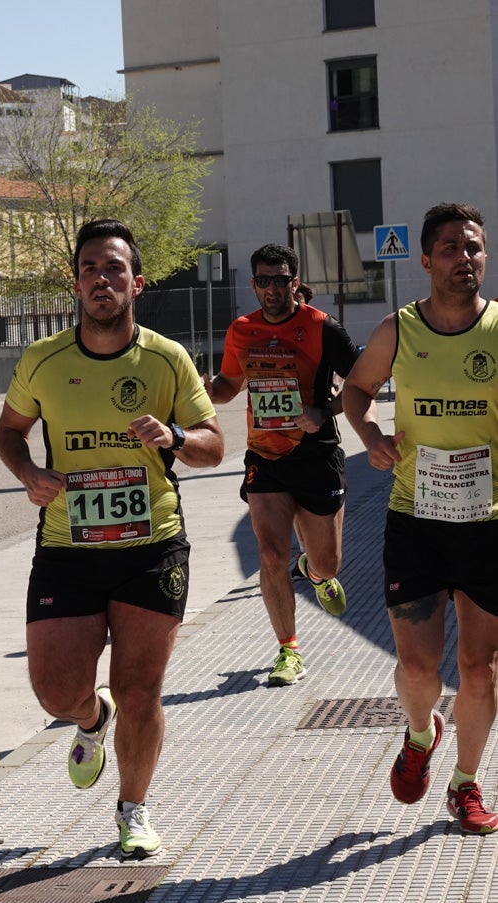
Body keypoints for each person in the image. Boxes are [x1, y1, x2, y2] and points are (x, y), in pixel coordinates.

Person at [0, 218, 223, 858]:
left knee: (140, 688)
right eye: (91, 268)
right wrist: (28, 472)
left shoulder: (166, 359)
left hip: (152, 544)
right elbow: (9, 432)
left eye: (115, 268)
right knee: (55, 690)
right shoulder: (42, 360)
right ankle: (91, 720)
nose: (103, 278)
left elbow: (213, 444)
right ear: (75, 284)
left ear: (137, 283)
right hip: (69, 547)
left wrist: (174, 437)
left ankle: (133, 810)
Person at [343, 201, 498, 835]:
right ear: (428, 260)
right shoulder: (397, 331)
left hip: (487, 522)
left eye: (476, 247)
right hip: (417, 518)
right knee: (417, 669)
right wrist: (369, 432)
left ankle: (465, 782)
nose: (468, 258)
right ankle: (418, 731)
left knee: (480, 669)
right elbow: (355, 391)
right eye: (454, 249)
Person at [204, 243, 358, 686]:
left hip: (316, 455)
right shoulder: (242, 330)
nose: (272, 288)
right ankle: (287, 650)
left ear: (294, 281)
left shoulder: (321, 327)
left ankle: (314, 572)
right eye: (264, 280)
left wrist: (323, 412)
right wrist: (201, 389)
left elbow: (364, 380)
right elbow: (229, 386)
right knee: (270, 553)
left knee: (327, 564)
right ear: (253, 284)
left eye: (281, 279)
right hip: (265, 458)